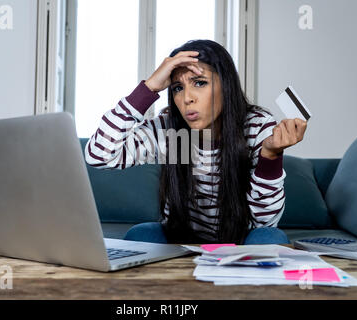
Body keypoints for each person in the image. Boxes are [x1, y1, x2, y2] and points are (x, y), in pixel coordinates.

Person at [85, 39, 307, 245]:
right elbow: (98, 155)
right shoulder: (170, 129)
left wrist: (270, 156)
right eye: (177, 88)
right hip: (181, 237)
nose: (187, 98)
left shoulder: (256, 126)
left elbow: (263, 224)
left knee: (269, 239)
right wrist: (149, 88)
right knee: (141, 234)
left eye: (199, 83)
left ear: (226, 86)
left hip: (240, 240)